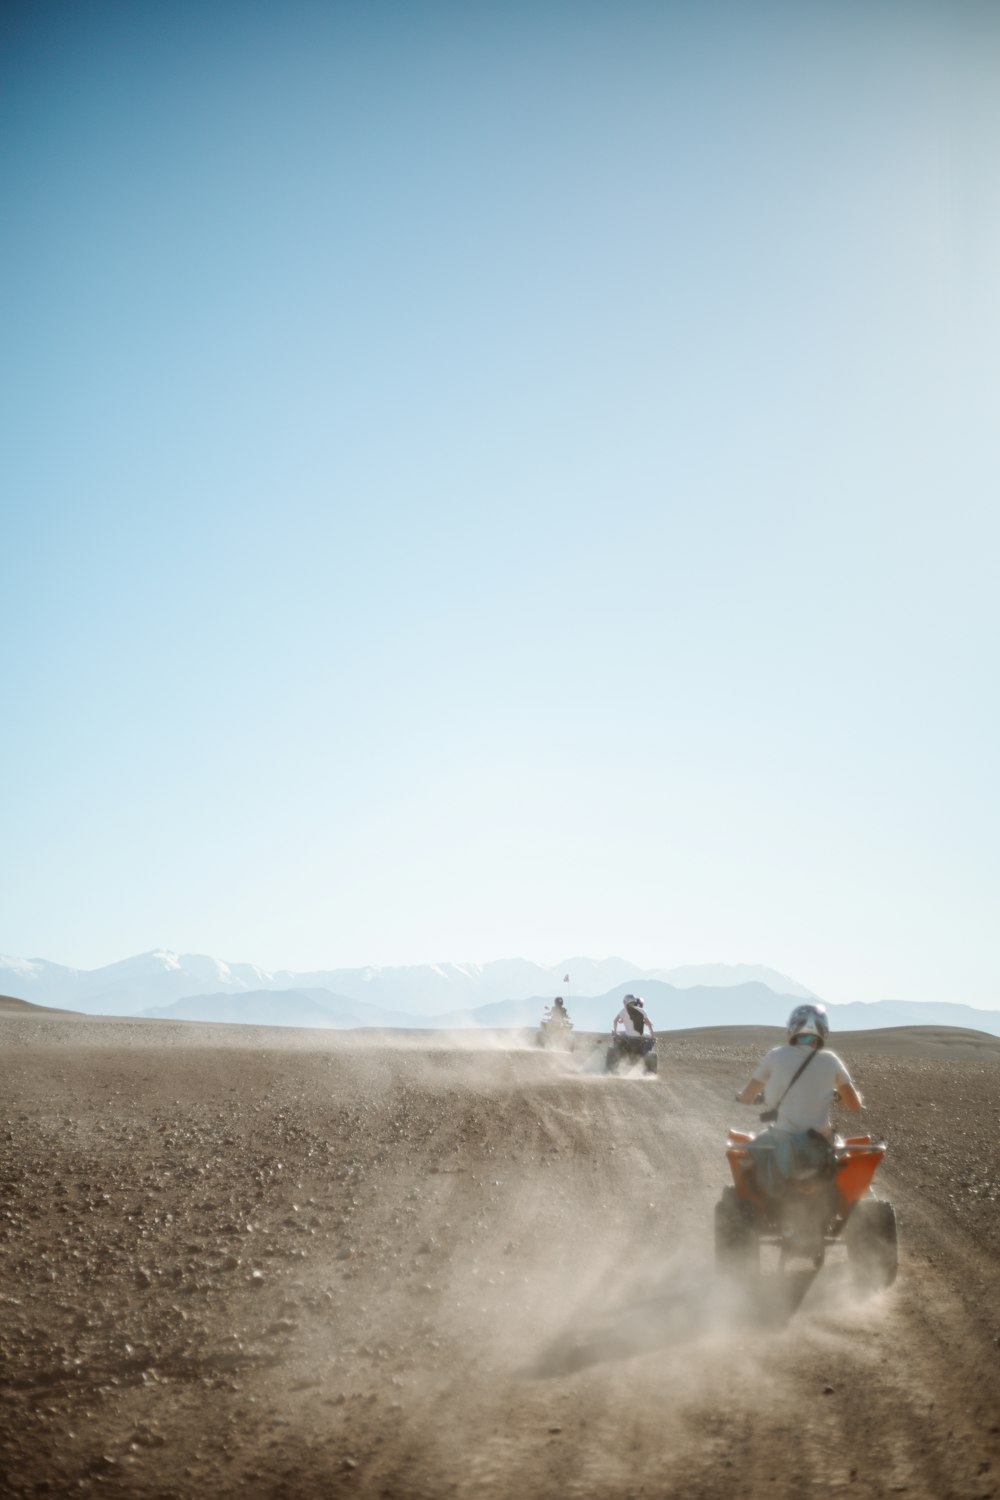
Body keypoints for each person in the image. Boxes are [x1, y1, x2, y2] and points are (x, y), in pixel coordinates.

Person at [735, 1003, 863, 1194]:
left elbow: (747, 1097)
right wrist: (847, 1097)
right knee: (846, 1155)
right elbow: (855, 1105)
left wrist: (745, 1097)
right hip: (820, 1140)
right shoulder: (830, 1060)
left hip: (781, 1137)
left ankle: (753, 1203)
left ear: (792, 1029)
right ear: (823, 1030)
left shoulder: (775, 1056)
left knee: (746, 1153)